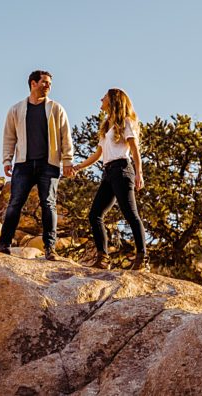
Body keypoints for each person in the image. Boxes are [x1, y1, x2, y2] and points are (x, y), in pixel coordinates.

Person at [65, 88, 148, 270]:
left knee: (130, 214)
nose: (101, 99)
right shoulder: (107, 125)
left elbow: (135, 150)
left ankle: (142, 258)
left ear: (112, 100)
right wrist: (78, 167)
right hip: (108, 173)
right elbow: (98, 154)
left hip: (122, 169)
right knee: (95, 214)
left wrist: (139, 173)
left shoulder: (126, 122)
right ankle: (103, 258)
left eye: (104, 97)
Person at [0, 70, 74, 260]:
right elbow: (9, 137)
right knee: (15, 203)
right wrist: (7, 160)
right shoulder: (16, 110)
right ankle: (3, 244)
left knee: (49, 204)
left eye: (49, 83)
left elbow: (66, 136)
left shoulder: (56, 109)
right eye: (45, 82)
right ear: (33, 83)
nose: (48, 86)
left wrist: (68, 161)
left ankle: (50, 249)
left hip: (49, 165)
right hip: (23, 164)